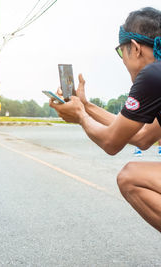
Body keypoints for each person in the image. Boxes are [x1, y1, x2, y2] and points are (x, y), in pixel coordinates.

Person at [50, 7, 161, 232]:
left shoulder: (152, 76)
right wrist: (87, 106)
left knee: (130, 177)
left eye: (122, 52)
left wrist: (80, 116)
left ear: (136, 48)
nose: (123, 61)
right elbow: (141, 137)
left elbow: (111, 143)